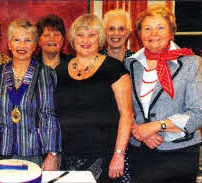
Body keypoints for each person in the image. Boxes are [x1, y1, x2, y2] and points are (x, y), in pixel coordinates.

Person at [125, 7, 202, 183]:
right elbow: (123, 108)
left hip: (179, 155)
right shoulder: (130, 65)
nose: (154, 33)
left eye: (160, 27)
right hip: (140, 153)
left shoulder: (192, 63)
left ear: (171, 32)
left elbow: (198, 113)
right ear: (139, 34)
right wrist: (138, 131)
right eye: (147, 28)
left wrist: (156, 126)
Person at [58, 14, 133, 182]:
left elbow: (127, 115)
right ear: (72, 38)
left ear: (100, 38)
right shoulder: (60, 71)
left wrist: (119, 155)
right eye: (80, 34)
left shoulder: (114, 68)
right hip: (67, 156)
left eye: (92, 35)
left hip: (104, 157)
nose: (86, 40)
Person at [0, 19, 61, 171]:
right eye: (17, 40)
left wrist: (53, 154)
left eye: (28, 40)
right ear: (9, 44)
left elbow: (50, 116)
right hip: (1, 151)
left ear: (34, 45)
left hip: (35, 153)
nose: (22, 45)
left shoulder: (46, 74)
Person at [100, 9, 135, 183]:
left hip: (132, 142)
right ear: (103, 31)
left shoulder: (138, 63)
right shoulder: (94, 63)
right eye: (111, 28)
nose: (116, 34)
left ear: (128, 33)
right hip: (99, 141)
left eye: (121, 29)